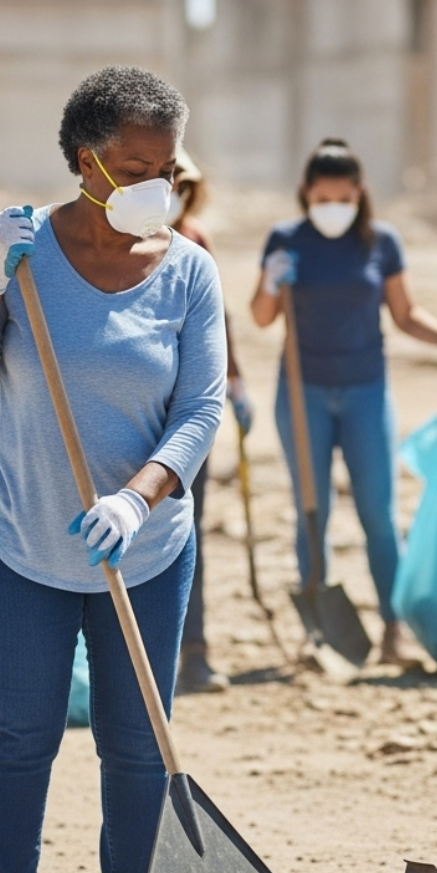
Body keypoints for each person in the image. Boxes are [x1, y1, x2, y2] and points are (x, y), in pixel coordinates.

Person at [0, 66, 226, 873]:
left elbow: (203, 408)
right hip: (20, 539)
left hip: (145, 549)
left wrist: (140, 496)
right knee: (21, 737)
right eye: (138, 166)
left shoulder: (187, 268)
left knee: (138, 745)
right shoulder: (26, 256)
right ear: (87, 163)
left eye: (168, 169)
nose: (158, 187)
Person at [250, 138, 437, 668]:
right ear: (307, 193)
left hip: (367, 390)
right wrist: (272, 281)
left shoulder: (381, 242)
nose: (332, 207)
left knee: (378, 513)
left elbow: (405, 313)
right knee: (311, 512)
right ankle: (317, 635)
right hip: (303, 393)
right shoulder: (286, 239)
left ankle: (395, 630)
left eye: (342, 197)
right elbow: (261, 316)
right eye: (322, 197)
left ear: (358, 194)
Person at [169, 150, 255, 692]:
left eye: (176, 181)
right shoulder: (106, 244)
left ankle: (192, 652)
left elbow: (217, 320)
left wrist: (236, 379)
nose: (167, 191)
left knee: (184, 531)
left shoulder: (195, 243)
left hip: (187, 412)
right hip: (123, 410)